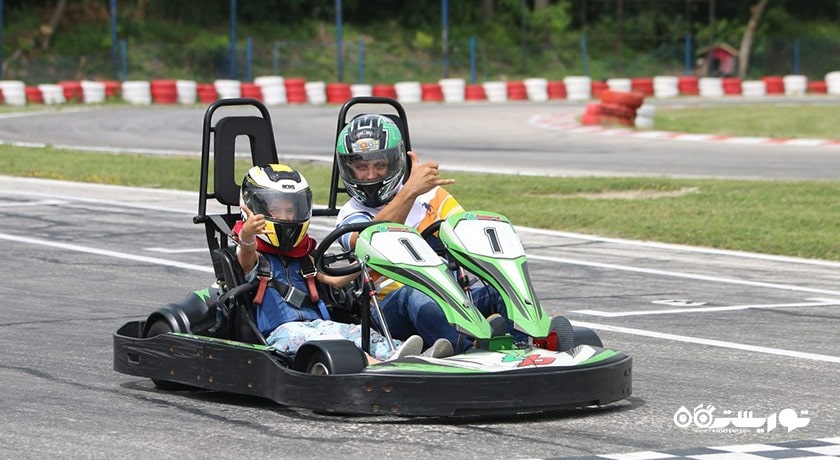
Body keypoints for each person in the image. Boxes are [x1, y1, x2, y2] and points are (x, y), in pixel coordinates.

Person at [334, 114, 574, 353]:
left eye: (379, 165)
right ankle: (471, 349)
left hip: (455, 299)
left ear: (395, 162)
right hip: (392, 305)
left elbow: (469, 238)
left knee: (501, 290)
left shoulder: (433, 197)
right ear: (348, 168)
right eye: (361, 167)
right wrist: (409, 192)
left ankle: (532, 345)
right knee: (418, 294)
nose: (370, 175)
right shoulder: (350, 215)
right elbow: (370, 238)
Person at [233, 163, 451, 362]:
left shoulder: (303, 257)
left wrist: (367, 261)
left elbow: (336, 281)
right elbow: (246, 253)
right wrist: (249, 234)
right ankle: (380, 367)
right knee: (339, 343)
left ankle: (412, 357)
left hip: (318, 326)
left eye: (291, 210)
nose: (287, 217)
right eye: (276, 210)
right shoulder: (255, 259)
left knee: (359, 333)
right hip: (282, 333)